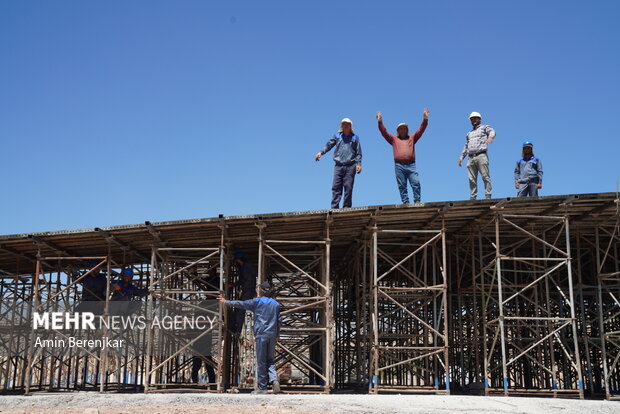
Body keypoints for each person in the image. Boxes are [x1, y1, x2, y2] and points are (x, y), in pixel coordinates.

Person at [218, 281, 281, 394]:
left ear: (261, 291)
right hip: (272, 335)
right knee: (270, 360)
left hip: (261, 334)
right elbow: (278, 321)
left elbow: (240, 304)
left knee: (261, 361)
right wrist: (277, 335)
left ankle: (262, 388)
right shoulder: (275, 304)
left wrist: (225, 302)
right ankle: (274, 380)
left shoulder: (257, 302)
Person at [376, 109, 429, 204]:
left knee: (416, 183)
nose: (402, 130)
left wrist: (425, 119)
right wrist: (380, 122)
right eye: (400, 129)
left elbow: (421, 130)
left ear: (407, 130)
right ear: (398, 131)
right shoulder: (394, 139)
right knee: (402, 185)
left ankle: (417, 201)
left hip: (411, 165)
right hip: (399, 166)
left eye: (404, 128)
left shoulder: (412, 138)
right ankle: (406, 202)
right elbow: (384, 132)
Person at [315, 118, 362, 209]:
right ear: (341, 126)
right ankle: (334, 208)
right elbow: (329, 145)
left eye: (347, 124)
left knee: (348, 188)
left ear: (350, 126)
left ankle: (347, 207)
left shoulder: (355, 138)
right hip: (338, 166)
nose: (345, 125)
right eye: (344, 124)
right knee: (336, 187)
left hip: (350, 166)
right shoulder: (337, 136)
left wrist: (359, 164)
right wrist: (320, 153)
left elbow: (358, 152)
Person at [458, 112, 496, 200]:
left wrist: (490, 137)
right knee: (471, 179)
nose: (474, 120)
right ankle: (473, 197)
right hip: (471, 157)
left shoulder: (484, 128)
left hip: (481, 155)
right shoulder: (469, 133)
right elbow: (466, 146)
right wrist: (461, 157)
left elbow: (492, 131)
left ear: (479, 119)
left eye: (475, 118)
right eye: (472, 119)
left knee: (485, 176)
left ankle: (488, 196)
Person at [230, 252, 257, 334]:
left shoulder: (246, 267)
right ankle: (235, 328)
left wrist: (233, 285)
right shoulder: (245, 267)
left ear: (238, 260)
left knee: (240, 310)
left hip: (248, 291)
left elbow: (243, 280)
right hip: (247, 291)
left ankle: (237, 331)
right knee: (238, 309)